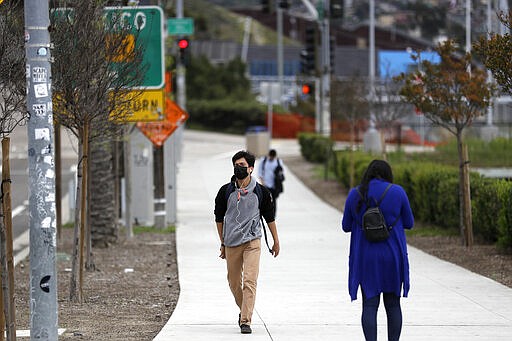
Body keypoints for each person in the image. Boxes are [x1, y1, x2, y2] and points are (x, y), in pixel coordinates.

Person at [341, 159, 414, 341]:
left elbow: (346, 226)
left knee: (370, 305)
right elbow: (409, 223)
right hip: (393, 255)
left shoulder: (355, 194)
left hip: (366, 257)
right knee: (393, 305)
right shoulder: (397, 192)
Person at [214, 150, 280, 334]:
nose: (239, 168)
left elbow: (269, 218)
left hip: (253, 241)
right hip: (232, 242)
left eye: (242, 165)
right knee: (234, 282)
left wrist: (276, 241)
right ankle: (244, 309)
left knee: (249, 280)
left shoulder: (261, 192)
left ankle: (246, 320)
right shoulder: (225, 192)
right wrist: (223, 243)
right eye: (236, 165)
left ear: (250, 168)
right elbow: (219, 218)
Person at [257, 149, 285, 213]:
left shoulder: (278, 161)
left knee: (273, 201)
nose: (271, 158)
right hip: (265, 185)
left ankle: (273, 216)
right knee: (265, 201)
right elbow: (260, 173)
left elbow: (281, 173)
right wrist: (263, 183)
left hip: (275, 186)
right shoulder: (263, 161)